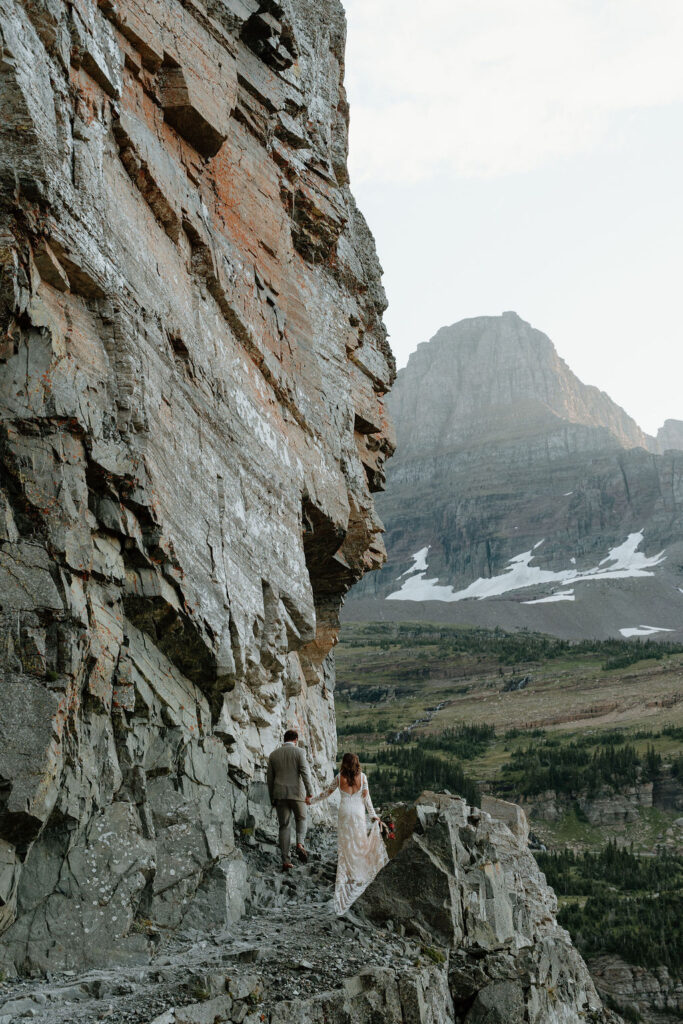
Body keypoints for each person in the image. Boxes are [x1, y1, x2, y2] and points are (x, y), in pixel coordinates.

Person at [311, 752, 388, 915]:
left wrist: (311, 800)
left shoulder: (339, 778)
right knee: (359, 842)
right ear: (356, 763)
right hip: (358, 813)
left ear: (344, 763)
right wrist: (374, 816)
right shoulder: (364, 777)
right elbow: (367, 800)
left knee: (346, 844)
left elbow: (326, 793)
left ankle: (350, 872)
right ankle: (359, 872)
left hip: (345, 813)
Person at [266, 729, 314, 871]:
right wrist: (310, 792)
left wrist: (272, 798)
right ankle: (300, 844)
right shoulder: (300, 752)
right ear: (295, 740)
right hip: (297, 794)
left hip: (280, 794)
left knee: (284, 826)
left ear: (284, 739)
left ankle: (286, 861)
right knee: (301, 818)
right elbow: (305, 773)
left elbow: (269, 779)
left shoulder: (273, 755)